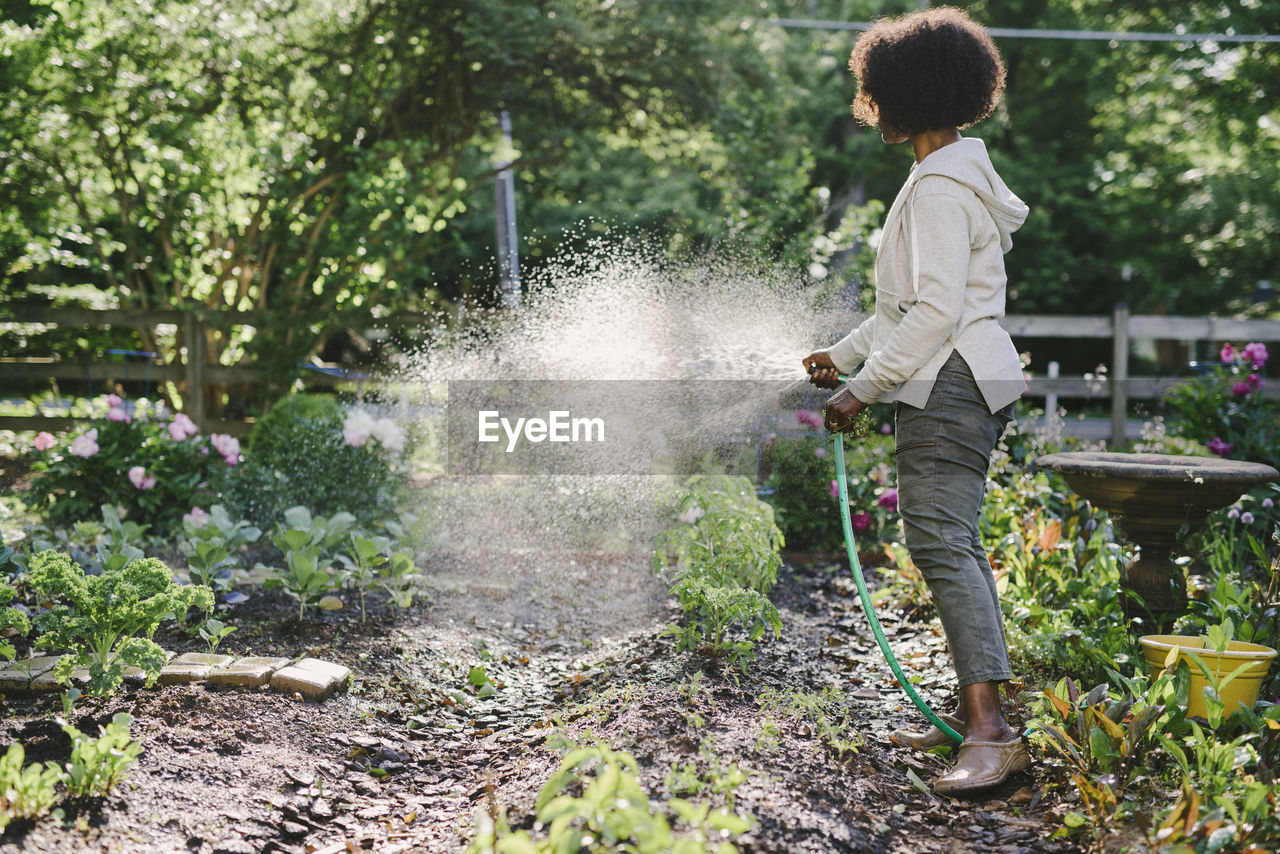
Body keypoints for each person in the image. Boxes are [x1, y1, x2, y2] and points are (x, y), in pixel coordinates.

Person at [802, 7, 1032, 795]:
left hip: (952, 378)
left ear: (907, 93)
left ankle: (991, 732)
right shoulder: (949, 174)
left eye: (875, 91)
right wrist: (841, 355)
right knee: (950, 541)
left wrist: (861, 390)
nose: (869, 107)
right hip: (963, 372)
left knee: (940, 541)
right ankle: (975, 711)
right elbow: (908, 308)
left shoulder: (938, 188)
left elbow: (934, 315)